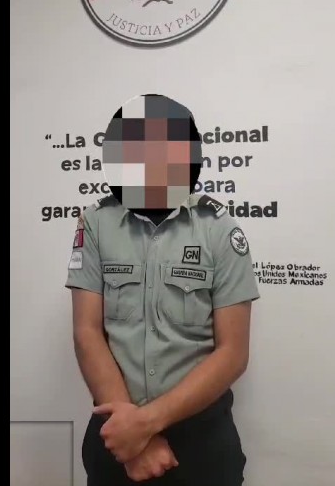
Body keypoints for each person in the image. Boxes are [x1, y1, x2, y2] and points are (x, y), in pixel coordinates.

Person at [65, 94, 260, 485]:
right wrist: (133, 439)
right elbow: (87, 331)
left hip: (202, 441)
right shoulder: (96, 223)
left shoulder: (219, 229)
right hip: (115, 435)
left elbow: (233, 352)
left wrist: (146, 425)